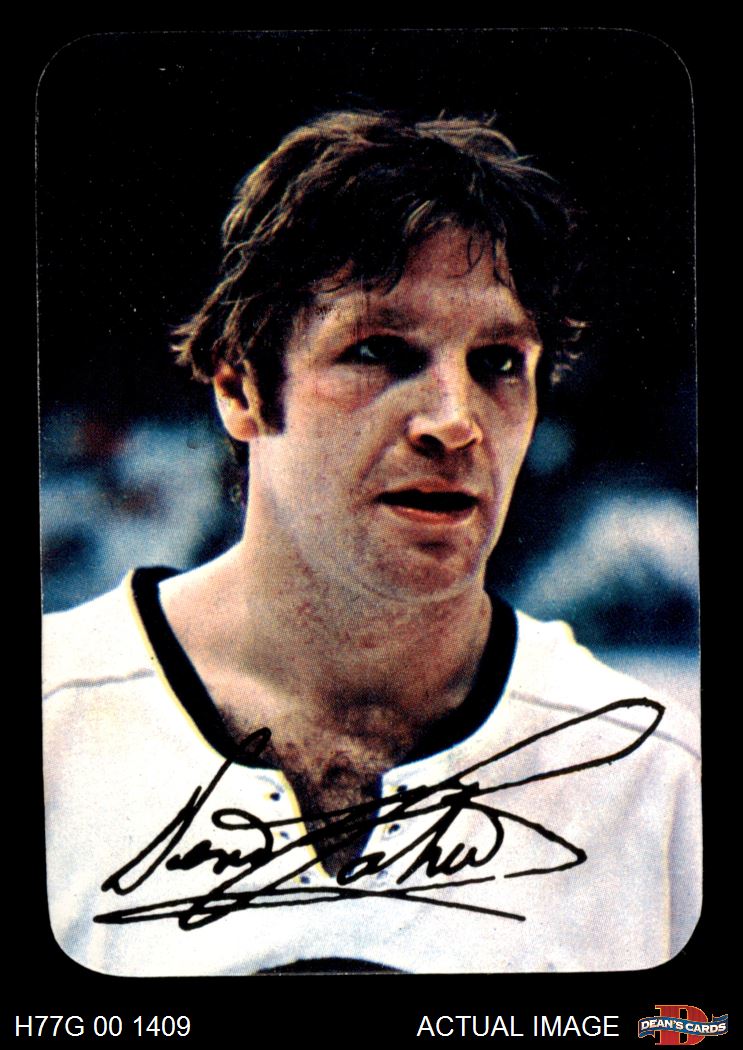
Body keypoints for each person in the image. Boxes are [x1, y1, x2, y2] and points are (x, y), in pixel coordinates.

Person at [42, 110, 700, 976]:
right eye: (379, 351)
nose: (454, 421)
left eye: (498, 363)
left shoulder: (652, 775)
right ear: (240, 388)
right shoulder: (55, 721)